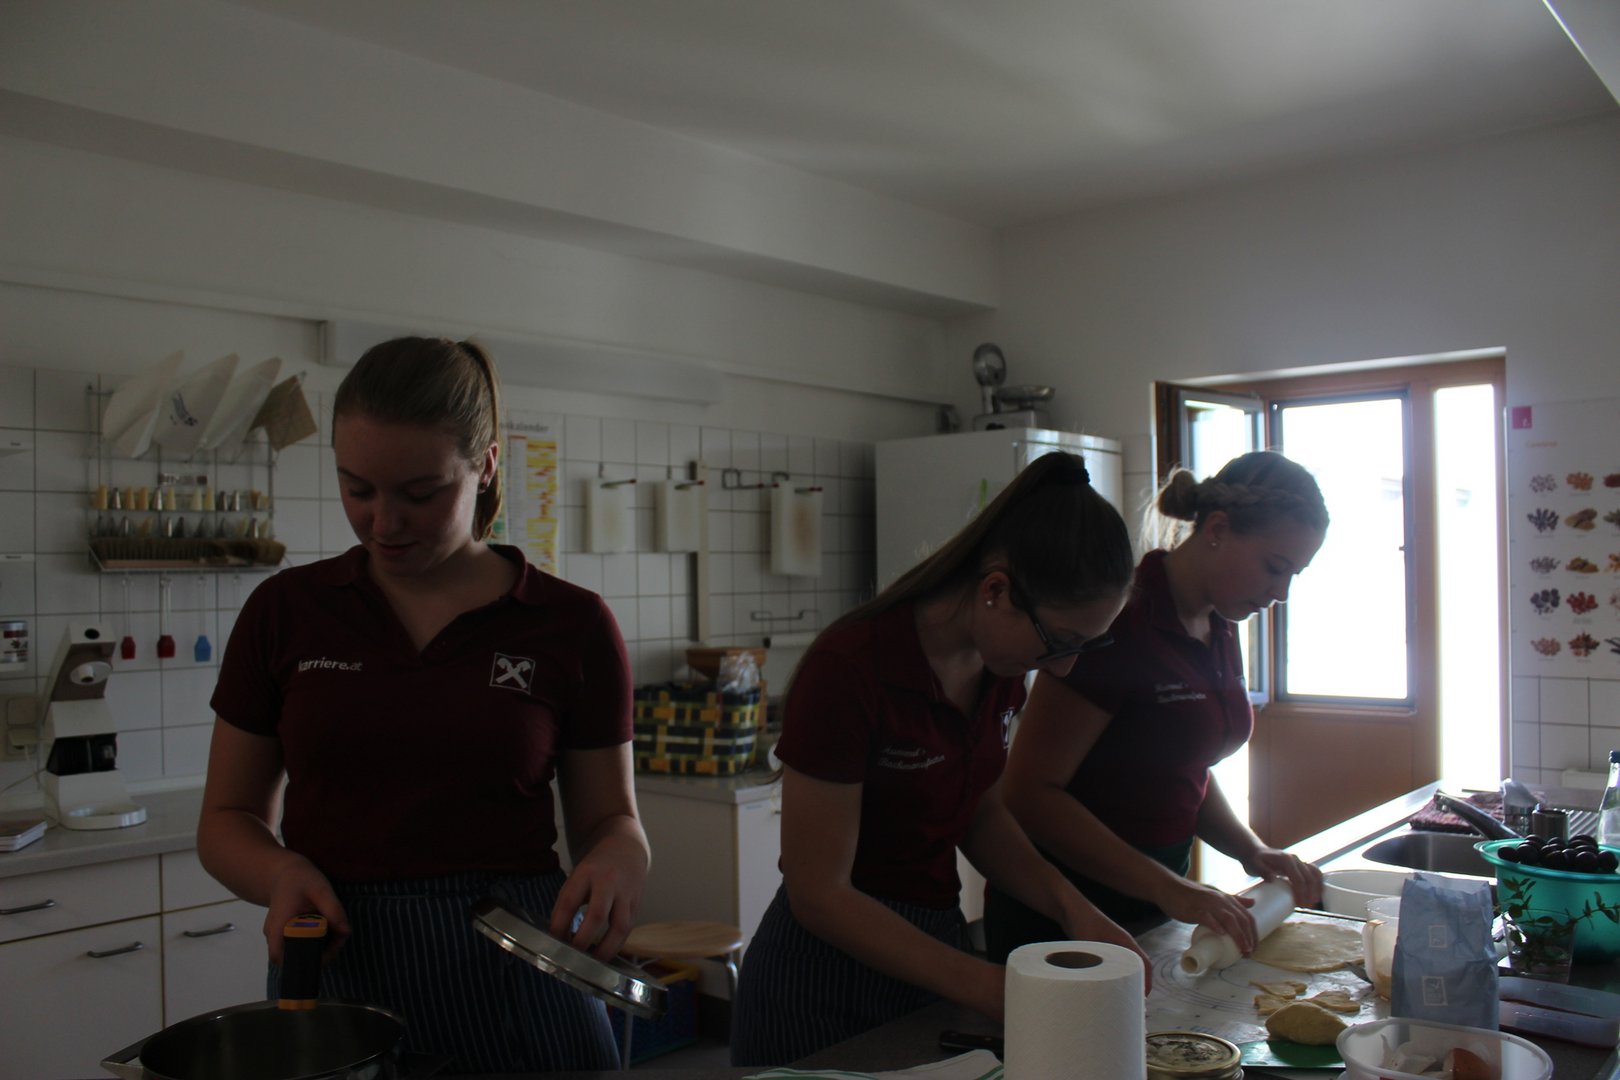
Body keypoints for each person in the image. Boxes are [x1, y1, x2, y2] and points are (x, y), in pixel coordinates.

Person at [196, 336, 648, 1073]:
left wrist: (626, 854)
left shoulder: (570, 624)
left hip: (518, 965)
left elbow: (610, 821)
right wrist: (277, 875)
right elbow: (226, 819)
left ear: (486, 467)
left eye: (420, 493)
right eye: (357, 489)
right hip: (339, 966)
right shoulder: (287, 612)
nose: (384, 523)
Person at [731, 451, 1149, 1067]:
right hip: (820, 981)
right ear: (996, 590)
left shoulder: (1000, 669)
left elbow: (980, 815)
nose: (1063, 669)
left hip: (930, 950)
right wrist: (984, 985)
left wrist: (1075, 910)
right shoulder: (852, 667)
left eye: (1085, 647)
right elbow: (818, 892)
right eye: (1059, 643)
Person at [983, 450, 1330, 966]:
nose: (1280, 592)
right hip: (1065, 910)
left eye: (1294, 574)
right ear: (1217, 529)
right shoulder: (1122, 620)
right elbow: (1029, 792)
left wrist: (1251, 850)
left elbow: (1183, 765)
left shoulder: (1218, 624)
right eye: (1274, 567)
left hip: (1152, 906)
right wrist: (1168, 887)